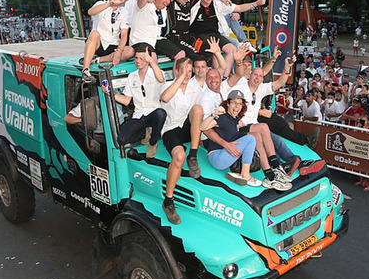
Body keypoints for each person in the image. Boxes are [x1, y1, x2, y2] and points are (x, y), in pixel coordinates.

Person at [203, 90, 291, 191]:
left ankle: (270, 172)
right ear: (227, 104)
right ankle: (246, 174)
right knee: (250, 139)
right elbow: (203, 128)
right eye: (234, 103)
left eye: (240, 104)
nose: (237, 106)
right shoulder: (222, 117)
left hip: (224, 155)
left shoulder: (234, 119)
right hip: (217, 157)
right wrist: (213, 115)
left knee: (256, 135)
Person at [159, 57, 204, 224]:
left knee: (198, 109)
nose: (188, 74)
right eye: (184, 70)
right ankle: (168, 201)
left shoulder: (195, 87)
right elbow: (164, 98)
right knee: (178, 157)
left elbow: (198, 113)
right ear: (176, 71)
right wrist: (180, 77)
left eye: (190, 71)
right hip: (171, 128)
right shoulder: (168, 85)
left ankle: (193, 155)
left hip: (186, 126)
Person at [105, 43, 167, 158]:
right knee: (122, 139)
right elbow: (126, 100)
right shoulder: (132, 76)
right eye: (137, 58)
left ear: (148, 60)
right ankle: (145, 132)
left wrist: (152, 61)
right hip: (139, 115)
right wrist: (110, 93)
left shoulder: (155, 72)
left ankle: (153, 143)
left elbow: (161, 79)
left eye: (142, 59)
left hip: (153, 114)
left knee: (160, 113)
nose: (138, 61)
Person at [81, 0, 134, 82]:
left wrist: (118, 52)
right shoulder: (101, 4)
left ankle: (97, 60)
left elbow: (124, 36)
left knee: (130, 51)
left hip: (112, 45)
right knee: (94, 34)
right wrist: (109, 4)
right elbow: (90, 12)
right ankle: (86, 70)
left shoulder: (124, 12)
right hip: (98, 44)